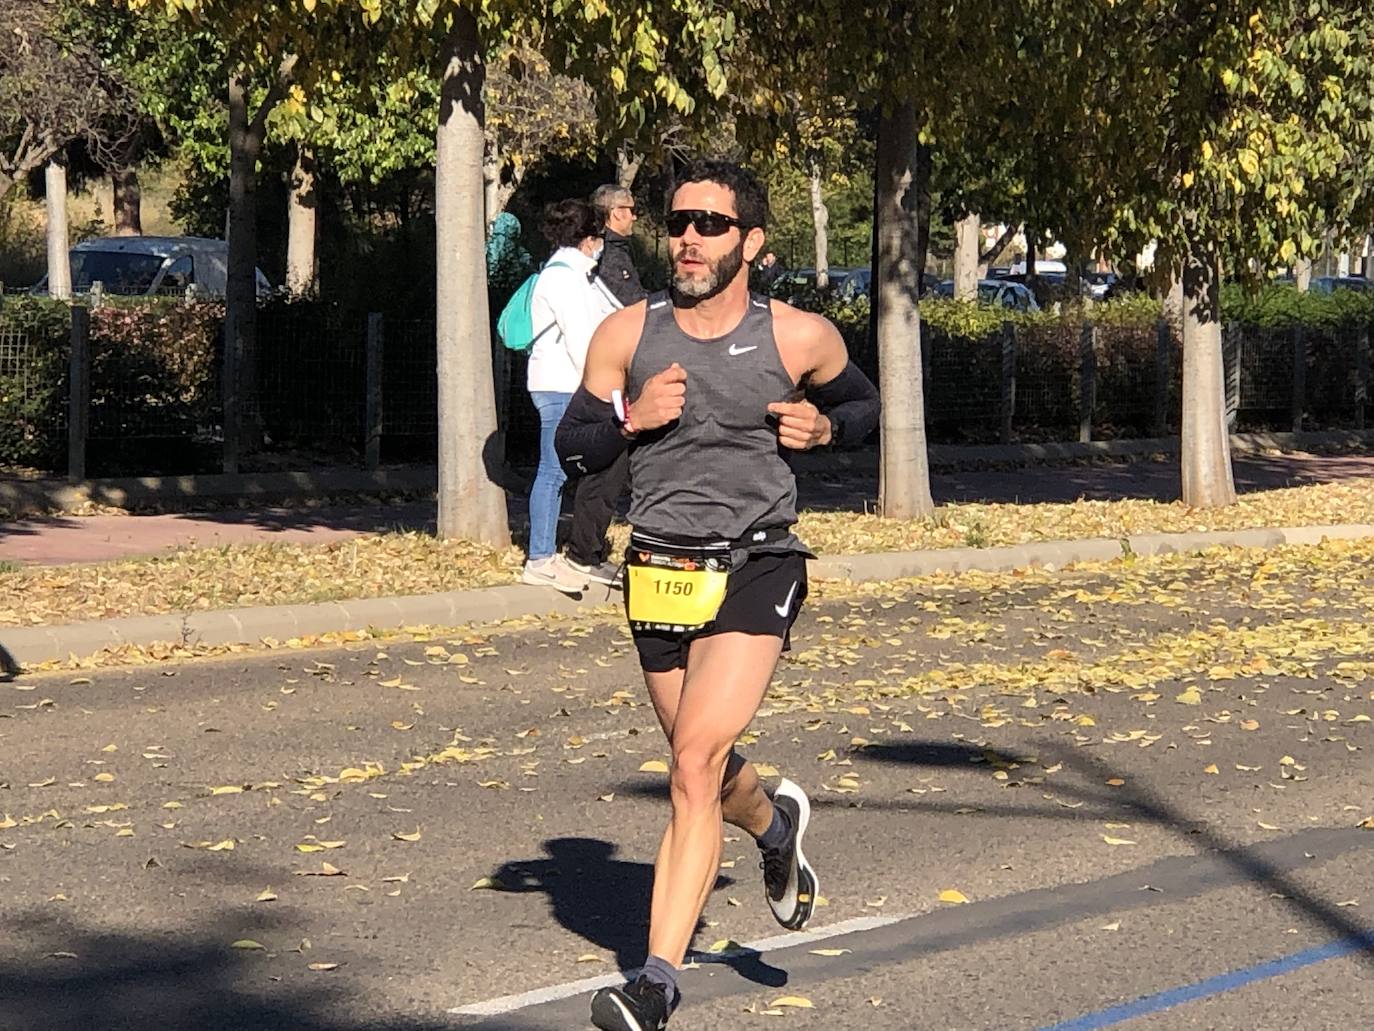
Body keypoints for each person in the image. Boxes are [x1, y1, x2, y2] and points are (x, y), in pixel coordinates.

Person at [556, 159, 880, 1031]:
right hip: (660, 565)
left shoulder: (799, 338)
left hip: (758, 560)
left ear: (752, 243)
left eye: (710, 223)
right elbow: (574, 446)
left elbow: (865, 407)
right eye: (678, 223)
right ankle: (775, 830)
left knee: (691, 764)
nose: (690, 238)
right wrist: (630, 422)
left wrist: (824, 427)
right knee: (707, 771)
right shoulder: (628, 334)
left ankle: (654, 983)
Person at [521, 199, 619, 594]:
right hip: (562, 384)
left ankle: (549, 554)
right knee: (553, 471)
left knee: (560, 470)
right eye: (599, 237)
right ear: (588, 239)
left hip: (565, 384)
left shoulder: (575, 274)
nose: (601, 244)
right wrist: (606, 388)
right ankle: (540, 559)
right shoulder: (565, 278)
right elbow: (583, 340)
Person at [565, 186, 648, 588]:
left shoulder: (610, 252)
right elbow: (634, 306)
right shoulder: (611, 255)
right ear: (614, 213)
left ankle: (589, 549)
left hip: (610, 375)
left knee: (615, 469)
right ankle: (584, 552)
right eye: (630, 210)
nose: (634, 217)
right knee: (606, 470)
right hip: (608, 380)